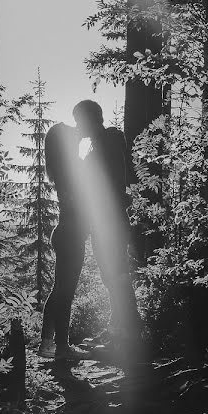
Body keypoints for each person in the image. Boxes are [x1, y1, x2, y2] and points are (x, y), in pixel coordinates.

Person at [72, 100, 143, 348]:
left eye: (79, 120)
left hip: (109, 220)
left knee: (115, 275)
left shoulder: (106, 145)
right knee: (112, 275)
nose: (77, 126)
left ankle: (129, 334)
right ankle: (119, 330)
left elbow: (104, 184)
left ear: (90, 119)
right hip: (108, 220)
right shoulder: (106, 143)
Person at [37, 122, 92, 360]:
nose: (78, 135)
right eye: (73, 135)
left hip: (64, 233)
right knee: (65, 293)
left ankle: (47, 343)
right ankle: (61, 347)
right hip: (71, 235)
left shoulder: (61, 168)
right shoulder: (73, 168)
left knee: (59, 290)